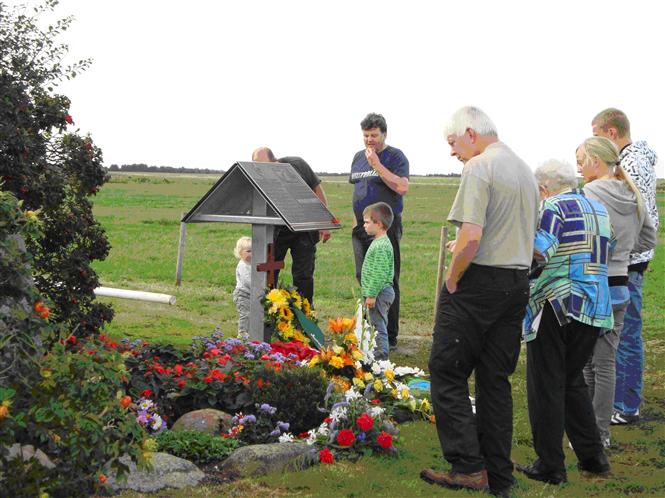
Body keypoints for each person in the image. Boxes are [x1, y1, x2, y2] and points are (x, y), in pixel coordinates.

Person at [420, 106, 539, 498]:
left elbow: (471, 236)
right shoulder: (523, 169)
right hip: (516, 282)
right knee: (494, 380)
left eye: (453, 143)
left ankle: (468, 467)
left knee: (447, 369)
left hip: (479, 284)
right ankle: (498, 476)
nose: (452, 153)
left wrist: (453, 277)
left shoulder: (479, 167)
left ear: (470, 133)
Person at [515, 159, 614, 485]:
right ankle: (593, 457)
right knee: (571, 382)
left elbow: (540, 251)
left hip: (556, 307)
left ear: (543, 188)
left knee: (545, 386)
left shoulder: (553, 208)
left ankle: (550, 465)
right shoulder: (598, 209)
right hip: (594, 308)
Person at [577, 137, 656, 449]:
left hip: (592, 285)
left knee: (587, 364)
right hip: (620, 286)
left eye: (583, 160)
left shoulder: (591, 192)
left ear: (596, 161)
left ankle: (588, 433)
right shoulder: (631, 193)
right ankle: (601, 435)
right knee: (607, 362)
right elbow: (648, 238)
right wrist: (622, 253)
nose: (580, 167)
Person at [591, 109, 660, 425]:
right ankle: (618, 397)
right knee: (620, 331)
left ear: (611, 132)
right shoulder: (635, 160)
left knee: (626, 332)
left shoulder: (630, 163)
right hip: (631, 257)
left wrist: (619, 251)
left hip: (627, 262)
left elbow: (636, 213)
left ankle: (625, 404)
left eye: (596, 134)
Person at [349, 113, 409, 351]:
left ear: (384, 134)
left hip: (385, 227)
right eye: (366, 135)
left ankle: (388, 335)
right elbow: (357, 191)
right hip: (362, 226)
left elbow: (402, 187)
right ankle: (368, 328)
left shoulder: (395, 157)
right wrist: (356, 223)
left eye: (374, 135)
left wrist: (377, 164)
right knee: (363, 275)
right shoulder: (357, 158)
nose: (369, 140)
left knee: (385, 279)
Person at [251, 147, 330, 304]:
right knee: (269, 272)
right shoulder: (257, 177)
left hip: (304, 227)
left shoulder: (297, 164)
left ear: (274, 161)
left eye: (263, 165)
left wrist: (324, 222)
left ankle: (304, 315)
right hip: (277, 229)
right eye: (256, 166)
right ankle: (269, 314)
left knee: (303, 275)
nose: (260, 170)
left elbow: (317, 189)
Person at [360, 202, 395, 361]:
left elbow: (379, 273)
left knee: (377, 325)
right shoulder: (379, 242)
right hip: (377, 292)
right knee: (374, 323)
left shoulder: (381, 246)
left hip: (379, 293)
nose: (364, 225)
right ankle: (373, 352)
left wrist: (372, 294)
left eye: (367, 222)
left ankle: (381, 356)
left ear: (379, 224)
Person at [232, 236, 252, 339]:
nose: (251, 254)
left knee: (253, 313)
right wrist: (258, 285)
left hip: (251, 294)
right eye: (248, 251)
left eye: (253, 251)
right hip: (242, 294)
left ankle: (251, 330)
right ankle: (242, 332)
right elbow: (247, 281)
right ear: (240, 253)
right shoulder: (243, 265)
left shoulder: (252, 264)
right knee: (245, 314)